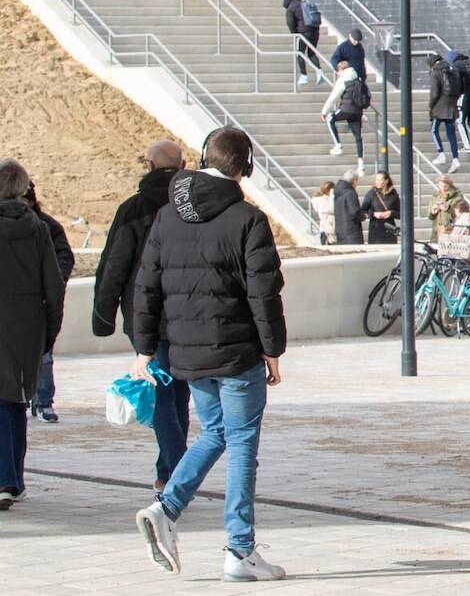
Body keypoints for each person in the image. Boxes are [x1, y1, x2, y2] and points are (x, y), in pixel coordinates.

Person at [130, 126, 287, 581]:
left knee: (215, 431)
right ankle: (240, 550)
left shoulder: (167, 215)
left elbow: (147, 285)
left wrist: (144, 347)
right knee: (240, 442)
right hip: (237, 352)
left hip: (188, 352)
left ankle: (166, 507)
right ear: (246, 168)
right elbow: (264, 293)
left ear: (201, 159)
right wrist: (273, 349)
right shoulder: (248, 219)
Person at [93, 139, 192, 487]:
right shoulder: (192, 206)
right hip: (188, 313)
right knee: (178, 393)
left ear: (149, 166)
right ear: (182, 167)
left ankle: (177, 472)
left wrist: (102, 316)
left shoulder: (134, 209)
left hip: (146, 315)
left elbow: (114, 266)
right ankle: (170, 472)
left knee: (163, 393)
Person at [0, 159, 63, 511]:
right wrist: (49, 331)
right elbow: (53, 285)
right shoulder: (37, 228)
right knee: (15, 398)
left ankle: (6, 479)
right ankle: (11, 479)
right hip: (26, 324)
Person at [25, 185, 73, 424]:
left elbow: (64, 256)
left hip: (39, 302)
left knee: (44, 356)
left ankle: (43, 402)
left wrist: (56, 281)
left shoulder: (47, 227)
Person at [320, 58, 367, 170]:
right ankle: (361, 165)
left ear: (341, 69)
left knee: (330, 118)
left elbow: (334, 97)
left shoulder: (343, 80)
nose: (337, 73)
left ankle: (338, 146)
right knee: (358, 137)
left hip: (346, 109)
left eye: (338, 71)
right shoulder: (358, 78)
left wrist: (324, 111)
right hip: (358, 111)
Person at [427, 53, 462, 166]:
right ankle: (455, 158)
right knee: (451, 133)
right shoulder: (451, 71)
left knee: (434, 130)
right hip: (451, 107)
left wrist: (431, 105)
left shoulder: (435, 73)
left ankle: (441, 154)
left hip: (439, 108)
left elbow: (434, 93)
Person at [362, 172, 401, 245]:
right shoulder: (371, 194)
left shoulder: (393, 195)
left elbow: (400, 213)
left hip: (389, 229)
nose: (377, 182)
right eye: (376, 180)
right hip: (376, 230)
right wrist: (374, 214)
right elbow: (363, 211)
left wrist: (391, 213)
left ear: (386, 181)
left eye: (380, 180)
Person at [330, 169, 363, 246]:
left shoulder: (337, 191)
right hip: (351, 232)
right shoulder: (350, 192)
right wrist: (363, 216)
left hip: (340, 230)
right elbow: (354, 211)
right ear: (354, 181)